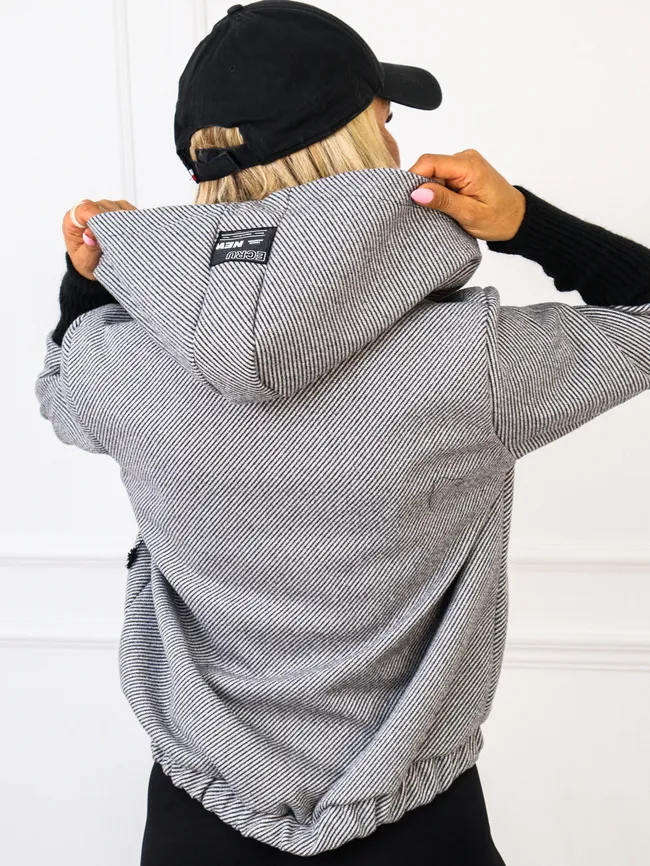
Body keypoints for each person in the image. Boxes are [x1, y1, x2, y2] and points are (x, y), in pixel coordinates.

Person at [35, 2, 650, 864]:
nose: (396, 144)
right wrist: (525, 221)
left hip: (196, 829)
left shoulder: (118, 367)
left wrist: (94, 280)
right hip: (421, 830)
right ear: (355, 143)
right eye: (386, 122)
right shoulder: (475, 360)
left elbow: (57, 380)